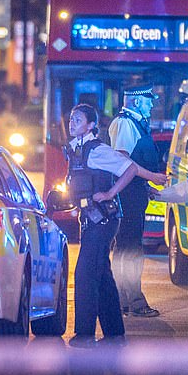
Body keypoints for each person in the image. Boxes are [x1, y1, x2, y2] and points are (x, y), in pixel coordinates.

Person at [66, 103, 166, 348]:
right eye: (71, 119)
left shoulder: (97, 150)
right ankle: (113, 331)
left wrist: (110, 192)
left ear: (90, 125)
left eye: (77, 119)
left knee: (85, 273)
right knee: (102, 273)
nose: (72, 123)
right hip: (91, 218)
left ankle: (84, 334)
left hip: (104, 219)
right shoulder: (74, 150)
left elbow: (130, 168)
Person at [108, 84, 163, 318]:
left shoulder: (134, 123)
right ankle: (133, 302)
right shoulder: (125, 124)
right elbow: (123, 161)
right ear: (137, 101)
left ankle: (124, 301)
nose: (152, 104)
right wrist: (151, 177)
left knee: (127, 249)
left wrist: (146, 186)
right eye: (149, 100)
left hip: (134, 192)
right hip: (127, 196)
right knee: (129, 250)